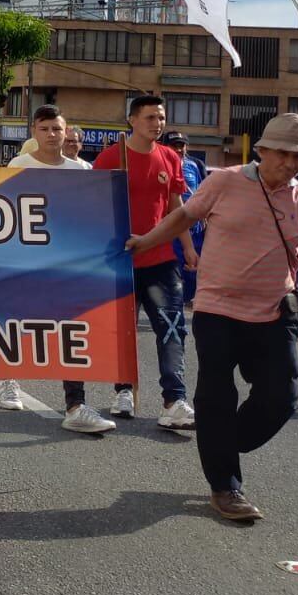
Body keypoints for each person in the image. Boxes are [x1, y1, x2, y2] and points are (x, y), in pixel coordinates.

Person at [127, 113, 298, 521]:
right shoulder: (224, 181)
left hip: (275, 311)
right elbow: (183, 217)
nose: (292, 164)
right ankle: (226, 486)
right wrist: (144, 242)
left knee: (282, 397)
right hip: (217, 308)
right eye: (284, 154)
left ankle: (223, 443)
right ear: (262, 151)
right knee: (216, 396)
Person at [92, 96, 199, 429]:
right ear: (132, 120)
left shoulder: (169, 158)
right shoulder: (111, 157)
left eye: (161, 117)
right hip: (119, 260)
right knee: (120, 331)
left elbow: (175, 207)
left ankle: (174, 400)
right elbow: (91, 203)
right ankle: (123, 390)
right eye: (150, 117)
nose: (157, 123)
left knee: (172, 329)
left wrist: (188, 247)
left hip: (161, 259)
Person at [0, 105, 107, 428]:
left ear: (66, 132)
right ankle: (7, 378)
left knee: (70, 331)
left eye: (57, 129)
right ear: (34, 132)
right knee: (17, 325)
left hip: (66, 266)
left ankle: (76, 404)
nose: (51, 135)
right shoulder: (19, 166)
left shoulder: (81, 172)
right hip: (25, 262)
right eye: (44, 129)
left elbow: (91, 218)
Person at [160, 130, 207, 308]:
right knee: (174, 267)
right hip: (171, 226)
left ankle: (190, 297)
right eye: (174, 145)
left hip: (195, 226)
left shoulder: (196, 164)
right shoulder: (160, 164)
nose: (178, 149)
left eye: (182, 145)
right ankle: (174, 301)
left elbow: (204, 191)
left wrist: (205, 214)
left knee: (194, 265)